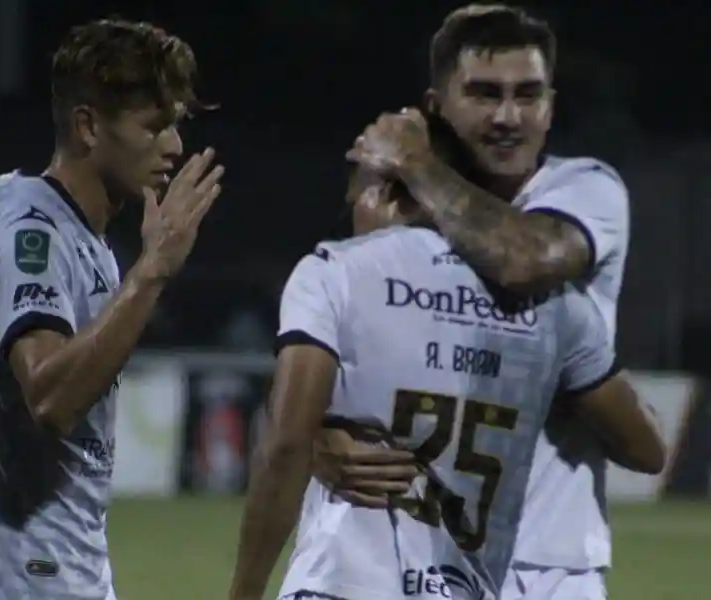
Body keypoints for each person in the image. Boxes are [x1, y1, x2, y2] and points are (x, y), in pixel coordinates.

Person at [227, 152, 663, 600]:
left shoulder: (339, 273)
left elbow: (284, 439)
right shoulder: (548, 307)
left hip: (345, 580)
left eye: (364, 191)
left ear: (398, 196)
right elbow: (647, 449)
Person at [313, 5, 641, 600]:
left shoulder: (585, 189)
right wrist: (316, 440)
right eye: (485, 94)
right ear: (438, 105)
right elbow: (331, 351)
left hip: (548, 564)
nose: (509, 116)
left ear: (551, 105)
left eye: (528, 95)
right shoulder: (393, 210)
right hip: (412, 554)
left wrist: (415, 162)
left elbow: (523, 261)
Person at [0, 19, 223, 600]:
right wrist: (152, 272)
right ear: (88, 126)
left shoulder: (82, 239)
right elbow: (50, 397)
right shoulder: (32, 232)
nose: (174, 145)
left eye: (176, 124)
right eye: (155, 125)